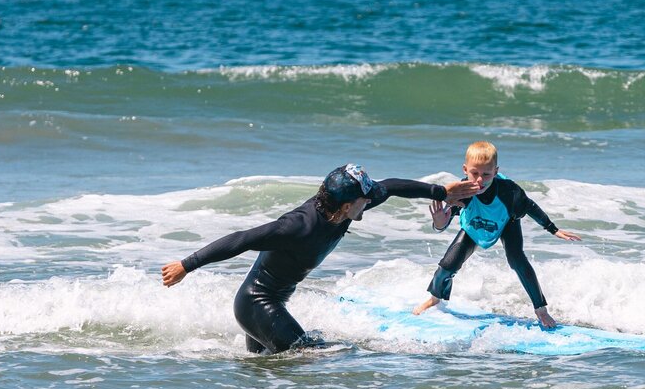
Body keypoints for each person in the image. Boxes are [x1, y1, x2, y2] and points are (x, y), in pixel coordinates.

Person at [161, 164, 481, 354]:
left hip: (272, 306)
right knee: (316, 357)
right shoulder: (297, 226)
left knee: (268, 376)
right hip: (256, 303)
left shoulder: (349, 205)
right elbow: (242, 240)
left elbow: (393, 187)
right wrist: (186, 265)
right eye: (364, 199)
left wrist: (440, 192)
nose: (371, 201)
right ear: (345, 205)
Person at [413, 142, 580, 328]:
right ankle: (435, 298)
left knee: (517, 260)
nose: (480, 180)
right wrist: (439, 222)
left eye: (487, 174)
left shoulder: (510, 192)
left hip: (506, 222)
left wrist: (553, 229)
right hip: (473, 224)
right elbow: (442, 224)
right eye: (474, 173)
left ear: (496, 171)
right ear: (465, 169)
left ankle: (541, 309)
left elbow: (531, 207)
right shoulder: (461, 191)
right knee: (446, 266)